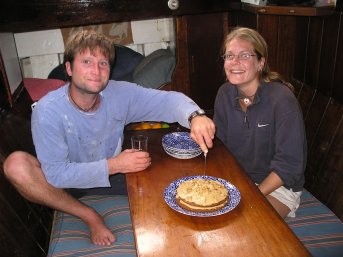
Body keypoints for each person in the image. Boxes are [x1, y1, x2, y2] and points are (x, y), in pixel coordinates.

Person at [3, 30, 215, 246]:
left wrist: (195, 116)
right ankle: (88, 215)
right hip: (67, 188)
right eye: (87, 61)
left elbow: (167, 101)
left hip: (113, 180)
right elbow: (57, 175)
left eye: (103, 63)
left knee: (180, 189)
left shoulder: (118, 94)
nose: (96, 70)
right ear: (69, 68)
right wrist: (114, 165)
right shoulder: (48, 110)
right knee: (15, 165)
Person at [213, 27, 307, 218]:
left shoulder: (281, 100)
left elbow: (289, 166)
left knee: (242, 223)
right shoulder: (224, 93)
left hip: (277, 188)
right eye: (229, 55)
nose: (235, 62)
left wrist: (250, 195)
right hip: (238, 182)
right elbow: (220, 149)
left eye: (244, 55)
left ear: (260, 63)